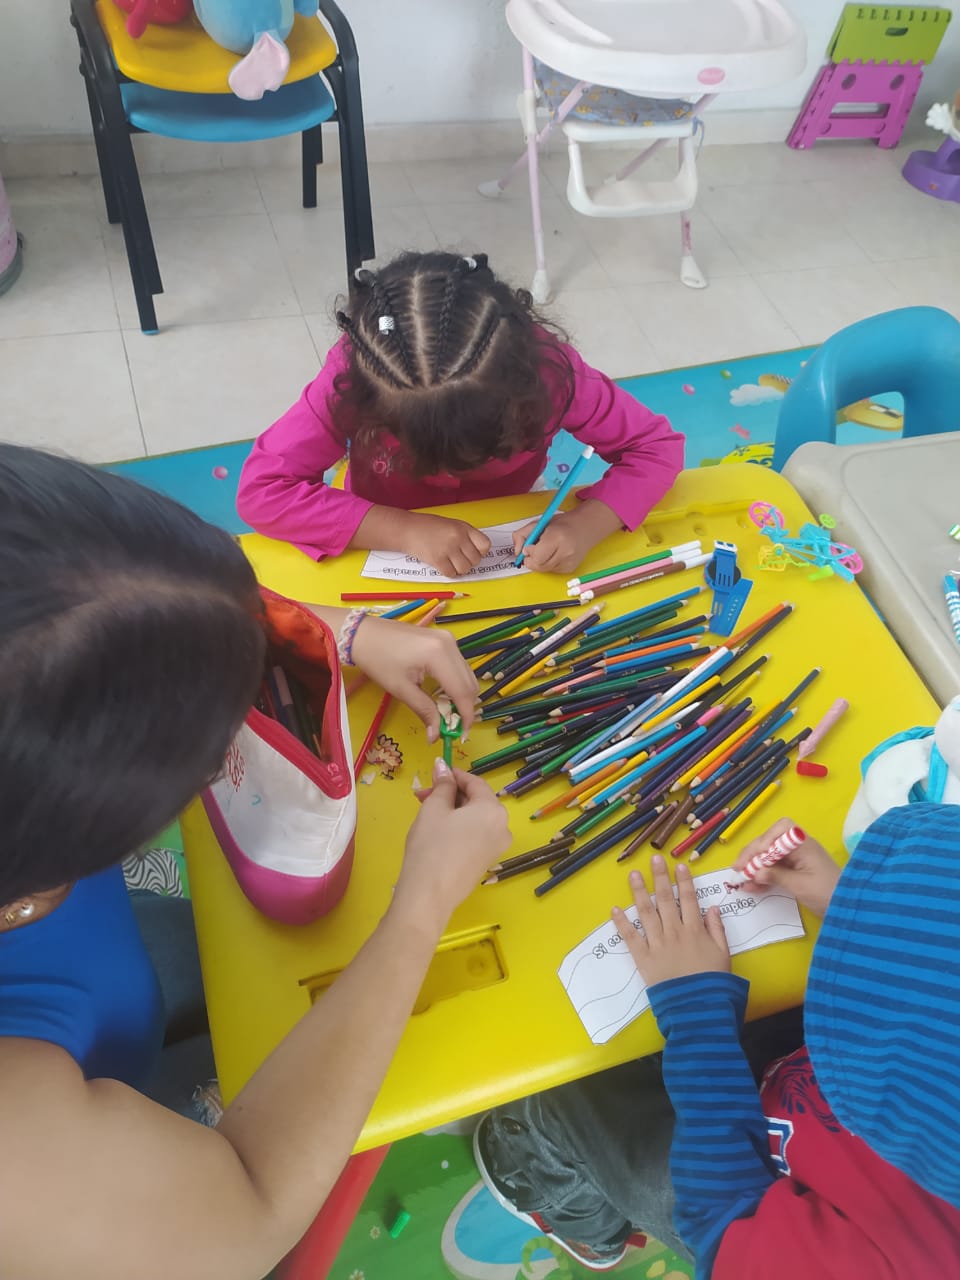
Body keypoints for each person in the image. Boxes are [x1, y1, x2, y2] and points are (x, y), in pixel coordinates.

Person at [0, 443, 512, 1280]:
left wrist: (338, 635)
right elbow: (251, 1203)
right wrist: (421, 906)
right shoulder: (18, 1155)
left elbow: (103, 609)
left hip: (106, 981)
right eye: (209, 761)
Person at [473, 809, 960, 1276]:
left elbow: (722, 1213)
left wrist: (694, 1010)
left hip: (741, 1203)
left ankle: (577, 1214)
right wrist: (866, 918)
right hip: (815, 1087)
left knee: (572, 1093)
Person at [236, 251, 684, 577]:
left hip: (514, 523)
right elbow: (261, 491)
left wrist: (586, 526)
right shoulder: (354, 375)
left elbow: (656, 448)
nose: (448, 473)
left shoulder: (550, 373)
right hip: (380, 530)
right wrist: (402, 530)